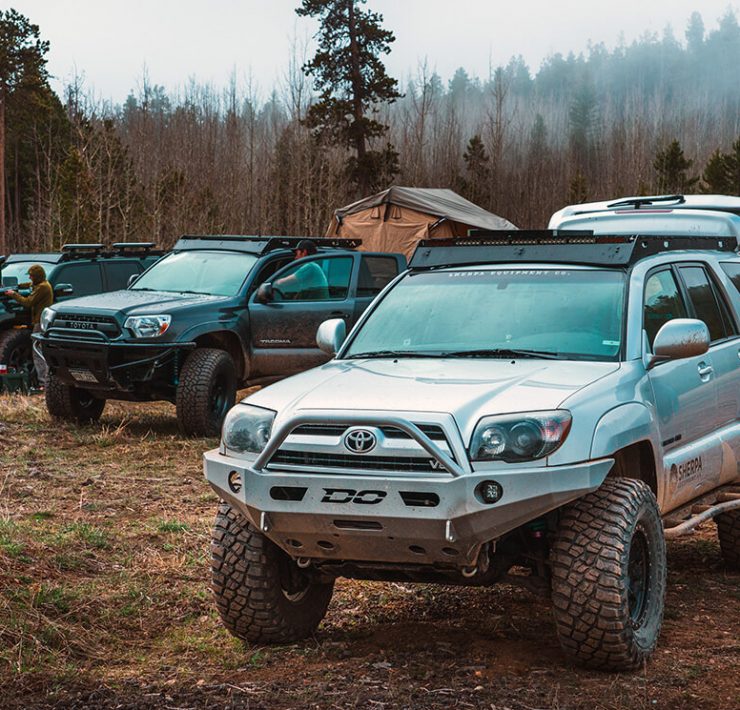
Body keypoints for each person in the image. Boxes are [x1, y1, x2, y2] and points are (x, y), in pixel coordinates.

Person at [3, 264, 54, 388]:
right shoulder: (41, 284)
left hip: (40, 323)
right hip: (40, 321)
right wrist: (17, 286)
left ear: (37, 276)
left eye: (31, 276)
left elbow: (28, 302)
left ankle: (44, 382)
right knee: (40, 350)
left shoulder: (43, 287)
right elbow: (29, 285)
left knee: (38, 351)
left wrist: (13, 294)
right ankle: (45, 381)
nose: (30, 278)